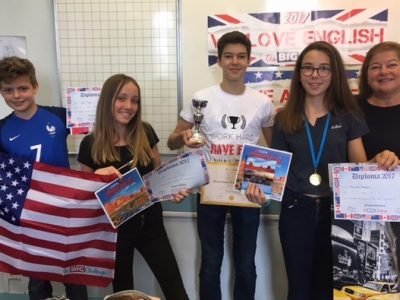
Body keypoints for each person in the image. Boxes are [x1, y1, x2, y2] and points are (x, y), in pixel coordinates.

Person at [246, 41, 398, 300]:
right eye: (308, 68)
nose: (315, 75)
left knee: (331, 288)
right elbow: (273, 174)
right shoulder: (284, 118)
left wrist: (383, 160)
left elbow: (359, 169)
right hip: (296, 211)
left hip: (337, 215)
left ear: (334, 73)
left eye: (323, 69)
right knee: (299, 288)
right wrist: (257, 191)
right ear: (300, 73)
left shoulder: (348, 115)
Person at [167, 31, 275, 300]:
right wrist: (182, 138)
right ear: (219, 60)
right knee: (211, 263)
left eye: (241, 56)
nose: (234, 62)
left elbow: (273, 151)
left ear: (249, 60)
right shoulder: (201, 98)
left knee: (246, 264)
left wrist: (265, 186)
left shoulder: (262, 102)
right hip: (209, 188)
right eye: (228, 56)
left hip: (249, 188)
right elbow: (171, 141)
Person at [77, 74, 189, 300]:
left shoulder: (146, 133)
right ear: (108, 100)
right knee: (123, 294)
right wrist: (97, 177)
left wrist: (172, 191)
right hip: (115, 234)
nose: (129, 106)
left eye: (135, 100)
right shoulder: (90, 143)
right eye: (122, 98)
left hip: (151, 227)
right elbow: (84, 194)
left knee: (176, 292)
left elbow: (159, 178)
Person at [0, 56, 88, 299]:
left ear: (35, 87)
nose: (17, 95)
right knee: (38, 279)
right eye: (8, 90)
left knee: (74, 275)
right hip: (31, 216)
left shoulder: (60, 116)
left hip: (66, 209)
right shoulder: (2, 130)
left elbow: (97, 132)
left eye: (23, 88)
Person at [357, 41, 400, 284]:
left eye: (392, 65)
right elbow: (338, 161)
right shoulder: (351, 109)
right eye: (375, 67)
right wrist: (368, 165)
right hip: (366, 218)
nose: (383, 72)